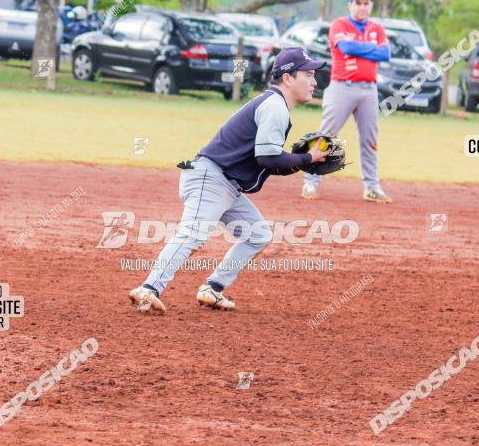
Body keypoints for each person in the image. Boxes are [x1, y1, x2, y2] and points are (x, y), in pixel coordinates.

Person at [128, 47, 329, 314]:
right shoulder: (274, 107)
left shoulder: (275, 105)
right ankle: (148, 288)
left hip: (225, 184)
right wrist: (306, 159)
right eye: (309, 74)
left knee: (257, 235)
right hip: (210, 179)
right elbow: (269, 158)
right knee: (192, 235)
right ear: (288, 78)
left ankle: (213, 288)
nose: (314, 82)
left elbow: (265, 163)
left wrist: (302, 161)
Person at [301, 0, 392, 203]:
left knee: (370, 140)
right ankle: (310, 181)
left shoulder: (377, 28)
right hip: (342, 87)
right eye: (358, 2)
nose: (362, 7)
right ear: (350, 4)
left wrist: (360, 47)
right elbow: (346, 48)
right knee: (327, 136)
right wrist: (370, 50)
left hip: (369, 89)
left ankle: (372, 187)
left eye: (366, 3)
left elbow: (386, 53)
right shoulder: (339, 24)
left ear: (371, 5)